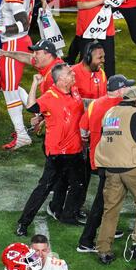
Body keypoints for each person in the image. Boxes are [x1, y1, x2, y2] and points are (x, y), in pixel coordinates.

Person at [16, 63, 85, 236]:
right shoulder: (49, 96)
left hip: (76, 150)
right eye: (70, 73)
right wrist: (34, 83)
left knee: (78, 184)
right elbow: (31, 107)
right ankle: (23, 223)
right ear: (61, 79)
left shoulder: (74, 89)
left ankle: (68, 214)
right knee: (43, 189)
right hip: (58, 154)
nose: (73, 74)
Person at [94, 83, 136, 264]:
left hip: (111, 169)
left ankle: (103, 249)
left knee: (110, 209)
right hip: (132, 168)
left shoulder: (109, 113)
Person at [76, 74, 134, 253]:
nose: (128, 90)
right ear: (119, 90)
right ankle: (86, 241)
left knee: (109, 197)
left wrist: (89, 138)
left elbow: (83, 127)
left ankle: (108, 227)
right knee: (102, 201)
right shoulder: (120, 107)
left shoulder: (95, 103)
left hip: (98, 158)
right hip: (113, 160)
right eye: (126, 87)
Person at [0, 0, 34, 150]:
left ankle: (22, 134)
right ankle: (37, 114)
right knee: (7, 84)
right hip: (18, 41)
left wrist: (1, 29)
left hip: (14, 42)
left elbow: (23, 24)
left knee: (9, 89)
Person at [72, 0, 125, 77]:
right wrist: (103, 0)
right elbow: (80, 5)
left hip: (106, 27)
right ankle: (82, 84)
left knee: (109, 60)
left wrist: (118, 0)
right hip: (87, 27)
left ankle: (110, 86)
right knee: (85, 59)